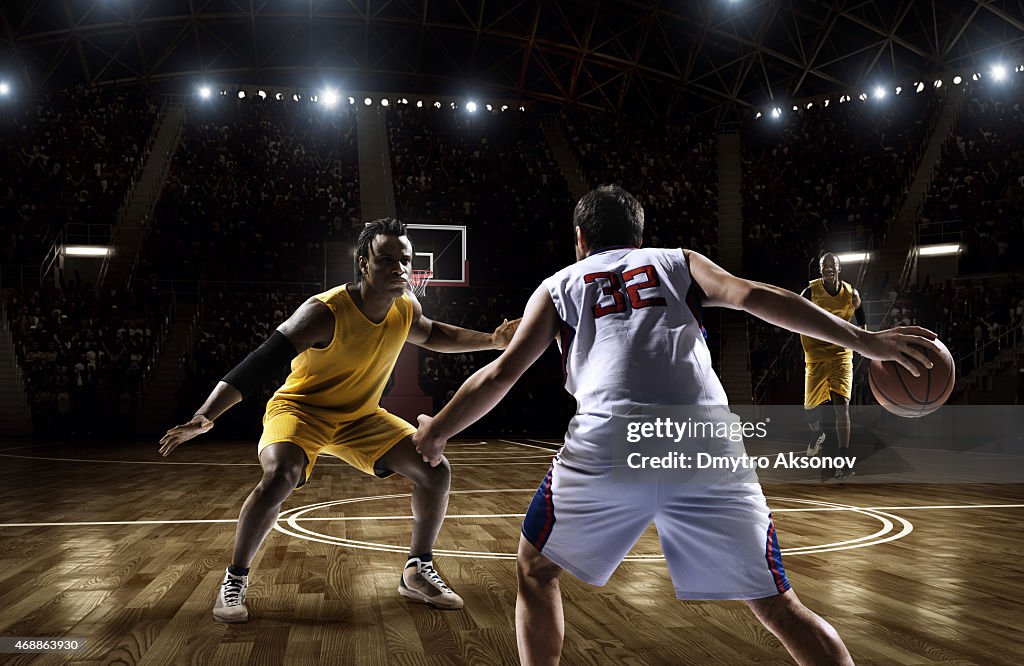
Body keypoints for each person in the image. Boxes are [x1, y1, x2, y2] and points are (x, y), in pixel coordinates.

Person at [413, 186, 935, 665]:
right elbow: (751, 295)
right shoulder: (676, 260)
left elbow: (502, 374)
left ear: (580, 239)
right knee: (778, 606)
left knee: (535, 570)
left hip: (610, 442)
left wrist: (436, 432)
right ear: (640, 236)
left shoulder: (559, 285)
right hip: (705, 442)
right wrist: (865, 342)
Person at [159, 217, 518, 623]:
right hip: (300, 411)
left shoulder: (405, 307)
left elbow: (431, 332)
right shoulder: (323, 312)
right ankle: (235, 579)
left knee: (435, 470)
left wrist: (492, 340)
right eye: (386, 260)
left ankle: (416, 570)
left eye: (405, 260)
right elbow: (260, 362)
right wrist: (204, 415)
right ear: (364, 263)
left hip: (360, 417)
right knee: (281, 475)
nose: (399, 269)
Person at [800, 253, 865, 480]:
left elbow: (862, 320)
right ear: (820, 270)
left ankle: (843, 461)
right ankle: (816, 434)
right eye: (824, 266)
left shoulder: (851, 294)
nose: (828, 269)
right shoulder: (809, 292)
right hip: (816, 355)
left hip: (840, 355)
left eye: (832, 265)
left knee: (841, 407)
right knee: (810, 409)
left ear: (839, 269)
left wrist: (862, 342)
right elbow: (796, 314)